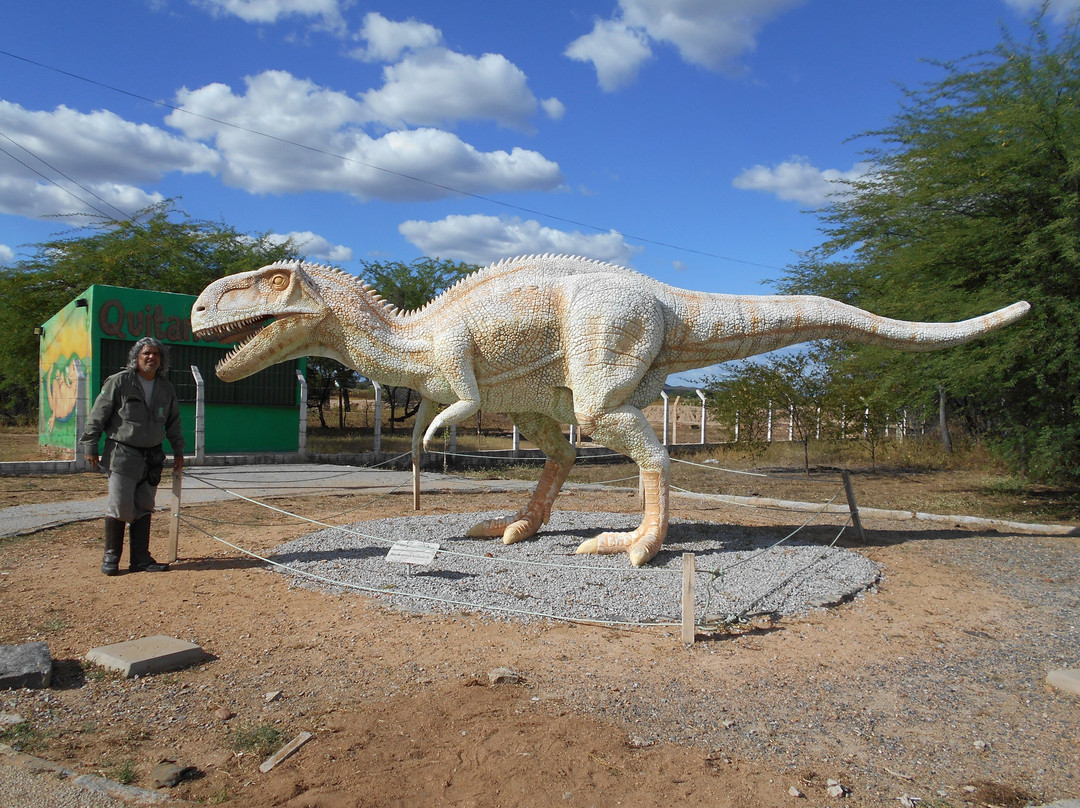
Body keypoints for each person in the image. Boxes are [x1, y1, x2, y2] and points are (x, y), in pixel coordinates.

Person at [81, 337, 185, 575]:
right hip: (122, 455)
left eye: (156, 354)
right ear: (136, 357)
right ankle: (111, 558)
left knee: (144, 506)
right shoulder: (119, 382)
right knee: (119, 505)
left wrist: (178, 451)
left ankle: (141, 559)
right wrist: (90, 445)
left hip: (152, 458)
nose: (151, 357)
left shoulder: (165, 387)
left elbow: (174, 422)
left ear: (162, 360)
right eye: (146, 353)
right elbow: (98, 415)